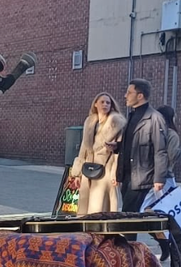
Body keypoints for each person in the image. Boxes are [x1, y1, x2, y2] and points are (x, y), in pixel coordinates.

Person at [112, 78, 169, 212]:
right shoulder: (132, 115)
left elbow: (160, 150)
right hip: (127, 176)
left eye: (129, 92)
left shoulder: (154, 118)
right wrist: (117, 147)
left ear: (140, 96)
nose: (125, 96)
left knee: (128, 216)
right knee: (130, 216)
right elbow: (132, 144)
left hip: (142, 178)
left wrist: (159, 178)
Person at [70, 92, 126, 214]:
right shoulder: (90, 122)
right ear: (95, 104)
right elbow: (83, 148)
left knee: (100, 207)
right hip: (88, 168)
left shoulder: (116, 123)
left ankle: (101, 231)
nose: (105, 105)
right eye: (102, 102)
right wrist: (77, 173)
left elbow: (119, 152)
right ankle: (87, 231)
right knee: (85, 207)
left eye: (108, 103)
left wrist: (115, 173)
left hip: (106, 170)